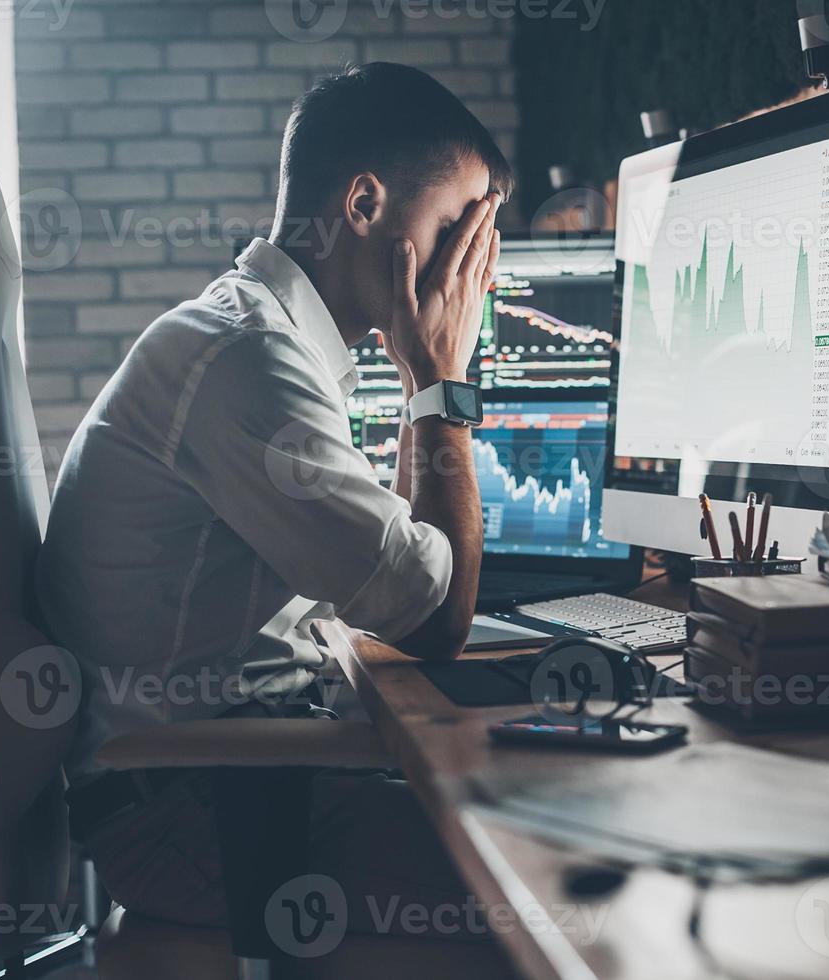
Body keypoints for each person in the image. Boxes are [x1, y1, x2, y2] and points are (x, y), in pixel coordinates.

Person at [37, 63, 511, 951]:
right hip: (197, 810)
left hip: (230, 774)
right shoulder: (247, 361)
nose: (467, 269)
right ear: (363, 205)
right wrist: (441, 380)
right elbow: (437, 617)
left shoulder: (257, 340)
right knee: (533, 881)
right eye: (457, 226)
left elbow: (406, 572)